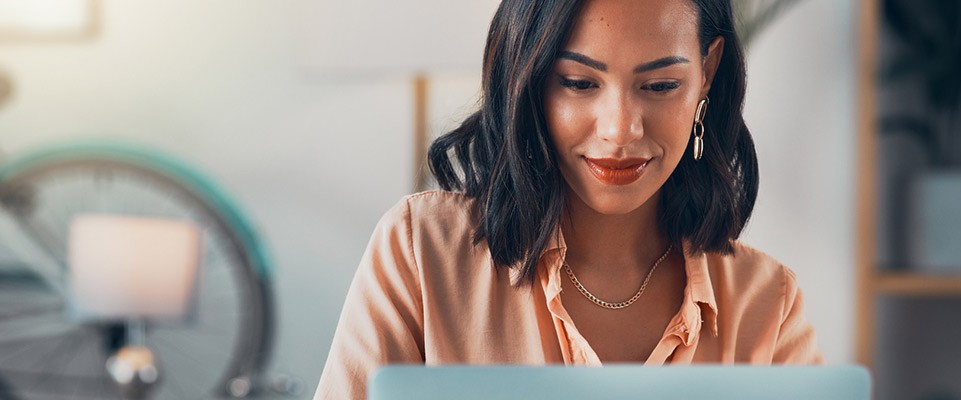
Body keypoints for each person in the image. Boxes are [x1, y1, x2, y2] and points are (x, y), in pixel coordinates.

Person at [315, 0, 823, 397]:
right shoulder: (421, 254)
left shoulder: (767, 304)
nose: (620, 130)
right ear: (529, 76)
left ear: (707, 72)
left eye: (660, 85)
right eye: (579, 83)